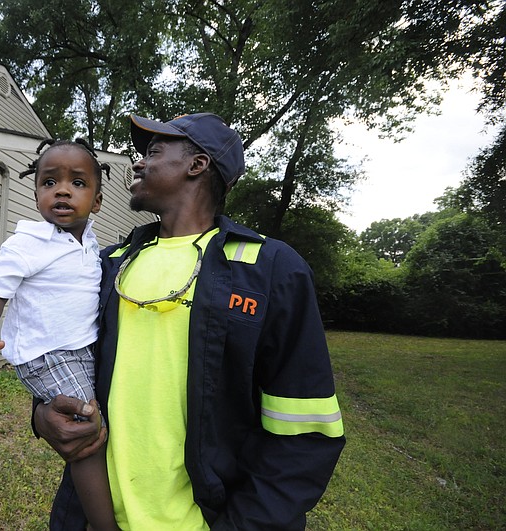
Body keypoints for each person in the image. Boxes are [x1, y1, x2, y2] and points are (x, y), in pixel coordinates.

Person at [34, 113, 346, 530]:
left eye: (154, 151)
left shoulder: (270, 269)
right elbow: (59, 353)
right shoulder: (104, 263)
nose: (138, 163)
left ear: (197, 165)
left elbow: (304, 431)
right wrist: (41, 415)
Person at [0, 138, 118, 531]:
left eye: (78, 183)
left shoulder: (90, 246)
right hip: (49, 354)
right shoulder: (28, 242)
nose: (61, 190)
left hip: (80, 350)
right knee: (87, 436)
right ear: (37, 191)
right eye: (49, 182)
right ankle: (104, 526)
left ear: (98, 200)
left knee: (99, 425)